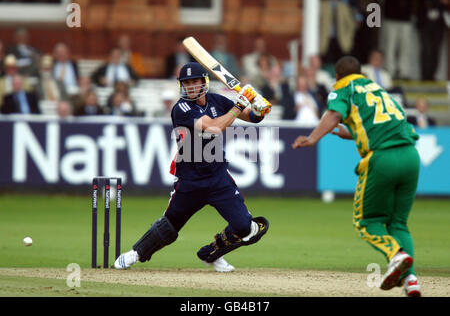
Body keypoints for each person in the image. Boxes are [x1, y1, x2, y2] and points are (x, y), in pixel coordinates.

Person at [114, 62, 271, 272]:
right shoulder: (182, 109)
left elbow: (249, 117)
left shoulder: (216, 100)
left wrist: (259, 110)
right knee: (169, 227)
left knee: (245, 227)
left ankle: (211, 253)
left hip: (218, 178)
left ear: (204, 82)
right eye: (186, 83)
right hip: (190, 181)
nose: (190, 86)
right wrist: (239, 105)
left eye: (194, 81)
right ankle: (135, 253)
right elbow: (214, 128)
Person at [292, 56, 422, 297]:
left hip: (383, 159)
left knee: (367, 222)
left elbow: (333, 115)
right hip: (411, 156)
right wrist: (351, 133)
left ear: (339, 76)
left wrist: (312, 138)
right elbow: (383, 123)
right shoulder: (377, 88)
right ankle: (411, 279)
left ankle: (397, 255)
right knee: (398, 223)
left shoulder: (344, 86)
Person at [417, 0, 449, 81]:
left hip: (439, 26)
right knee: (427, 50)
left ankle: (431, 75)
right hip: (425, 24)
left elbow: (445, 3)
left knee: (436, 50)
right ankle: (425, 76)